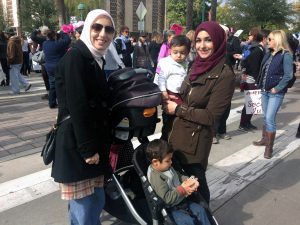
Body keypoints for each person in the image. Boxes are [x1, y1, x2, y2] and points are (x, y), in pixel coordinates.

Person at [51, 9, 115, 225]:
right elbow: (77, 106)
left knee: (94, 201)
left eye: (108, 29)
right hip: (79, 146)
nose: (102, 34)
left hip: (90, 143)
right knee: (85, 208)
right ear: (87, 28)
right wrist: (88, 149)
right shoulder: (76, 58)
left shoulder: (93, 58)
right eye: (97, 27)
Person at [163, 21, 235, 203]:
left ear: (218, 41)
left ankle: (206, 219)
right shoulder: (196, 65)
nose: (202, 45)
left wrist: (179, 108)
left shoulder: (225, 75)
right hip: (176, 135)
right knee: (181, 187)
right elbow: (187, 95)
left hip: (194, 144)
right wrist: (170, 98)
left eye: (208, 40)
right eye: (199, 40)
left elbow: (211, 116)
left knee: (197, 189)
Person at [146, 139, 212, 225]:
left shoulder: (166, 167)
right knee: (188, 221)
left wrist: (188, 180)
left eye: (171, 159)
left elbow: (178, 176)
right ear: (155, 162)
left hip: (182, 201)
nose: (171, 162)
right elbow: (167, 198)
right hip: (171, 208)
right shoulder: (157, 177)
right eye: (168, 160)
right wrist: (183, 189)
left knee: (201, 210)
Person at [253, 30, 294, 159]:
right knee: (265, 116)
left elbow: (288, 75)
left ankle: (269, 148)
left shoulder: (286, 55)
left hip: (275, 93)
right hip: (265, 91)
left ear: (277, 40)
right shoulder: (269, 53)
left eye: (270, 39)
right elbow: (263, 70)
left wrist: (277, 88)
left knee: (270, 119)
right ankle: (265, 139)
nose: (267, 41)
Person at [155, 35, 191, 140]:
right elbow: (160, 78)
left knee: (180, 118)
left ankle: (177, 139)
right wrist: (163, 91)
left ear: (188, 52)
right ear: (170, 50)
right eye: (175, 52)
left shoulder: (187, 63)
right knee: (169, 120)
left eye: (182, 53)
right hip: (170, 94)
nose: (179, 55)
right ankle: (165, 140)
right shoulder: (166, 63)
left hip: (182, 94)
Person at [235, 28, 266, 131]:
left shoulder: (258, 48)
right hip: (252, 78)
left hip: (253, 78)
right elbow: (251, 65)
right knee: (251, 102)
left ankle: (247, 122)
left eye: (250, 35)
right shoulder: (256, 49)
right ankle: (243, 124)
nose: (248, 37)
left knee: (253, 103)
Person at [43, 29, 71, 108]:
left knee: (52, 85)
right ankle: (63, 103)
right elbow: (68, 40)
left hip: (48, 67)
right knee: (61, 84)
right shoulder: (58, 44)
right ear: (54, 36)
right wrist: (62, 32)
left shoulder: (45, 44)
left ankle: (51, 103)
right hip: (58, 66)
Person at [31, 26, 50, 100]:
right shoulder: (52, 38)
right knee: (49, 78)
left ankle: (50, 93)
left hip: (45, 61)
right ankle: (51, 93)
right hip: (50, 60)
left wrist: (36, 30)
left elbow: (33, 36)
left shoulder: (44, 39)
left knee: (46, 77)